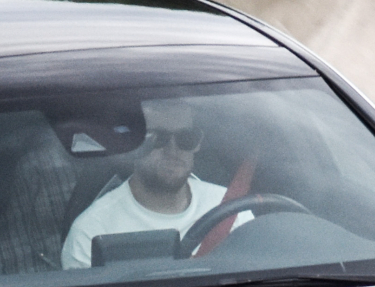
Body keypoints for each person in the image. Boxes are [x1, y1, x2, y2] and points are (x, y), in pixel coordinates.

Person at [59, 99, 246, 269]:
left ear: (198, 143)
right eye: (158, 138)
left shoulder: (231, 207)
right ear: (132, 145)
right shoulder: (92, 231)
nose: (173, 150)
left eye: (186, 138)